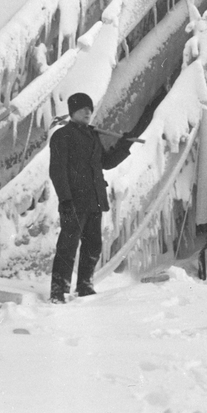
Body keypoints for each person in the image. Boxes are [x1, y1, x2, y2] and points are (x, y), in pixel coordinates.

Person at [48, 92, 133, 303]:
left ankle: (85, 285)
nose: (87, 112)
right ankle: (59, 290)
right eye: (82, 109)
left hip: (94, 200)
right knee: (68, 246)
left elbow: (106, 162)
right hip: (74, 201)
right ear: (72, 112)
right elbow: (57, 170)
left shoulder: (92, 136)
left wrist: (124, 146)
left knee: (93, 245)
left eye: (89, 109)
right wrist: (65, 199)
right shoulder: (62, 135)